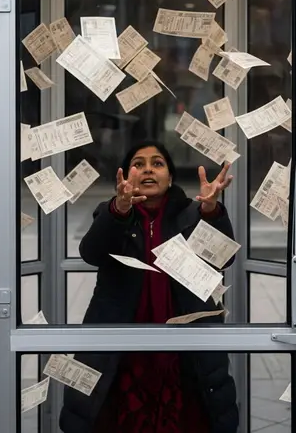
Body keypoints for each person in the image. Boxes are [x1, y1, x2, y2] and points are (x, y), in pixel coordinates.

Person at [60, 141, 239, 433]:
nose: (147, 170)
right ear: (127, 175)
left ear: (170, 177)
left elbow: (225, 258)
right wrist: (119, 209)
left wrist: (210, 210)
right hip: (122, 352)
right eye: (139, 163)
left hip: (184, 355)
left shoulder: (193, 214)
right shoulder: (112, 213)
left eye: (157, 164)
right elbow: (91, 253)